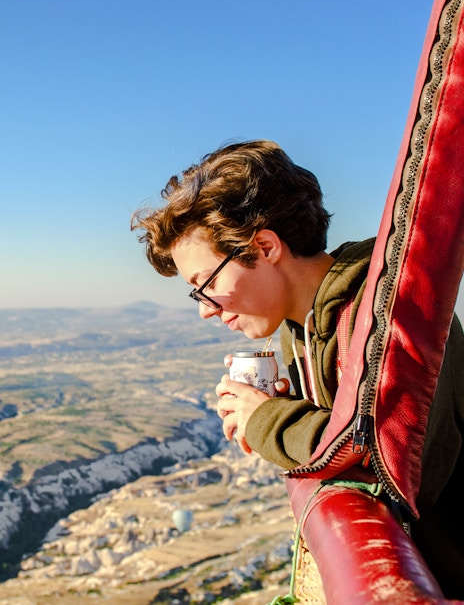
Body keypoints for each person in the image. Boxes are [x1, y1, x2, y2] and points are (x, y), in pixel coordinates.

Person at [131, 139, 464, 598]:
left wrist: (265, 419)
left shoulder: (384, 312)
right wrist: (283, 407)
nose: (205, 310)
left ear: (265, 246)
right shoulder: (302, 327)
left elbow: (390, 458)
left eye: (205, 284)